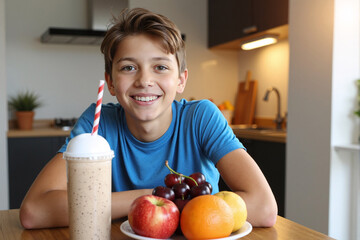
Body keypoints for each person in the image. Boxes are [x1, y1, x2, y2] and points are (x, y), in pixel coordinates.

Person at [19, 8, 277, 229]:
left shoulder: (201, 117)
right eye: (128, 67)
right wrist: (150, 197)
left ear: (181, 80)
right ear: (110, 82)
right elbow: (34, 211)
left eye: (161, 67)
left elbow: (264, 207)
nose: (144, 81)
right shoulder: (98, 122)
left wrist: (162, 207)